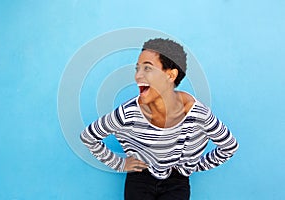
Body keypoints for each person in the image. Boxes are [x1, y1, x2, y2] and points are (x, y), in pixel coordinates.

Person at [80, 38, 239, 200]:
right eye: (137, 69)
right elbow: (88, 137)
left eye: (147, 68)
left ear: (170, 75)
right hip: (140, 179)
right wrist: (120, 164)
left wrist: (195, 166)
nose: (137, 76)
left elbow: (229, 146)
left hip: (177, 182)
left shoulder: (197, 113)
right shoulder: (128, 112)